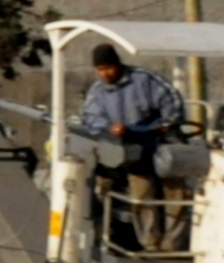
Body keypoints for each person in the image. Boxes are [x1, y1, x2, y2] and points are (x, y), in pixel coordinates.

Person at [80, 43, 186, 251]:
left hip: (160, 142)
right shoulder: (97, 92)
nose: (105, 73)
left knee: (175, 194)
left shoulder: (144, 79)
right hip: (131, 150)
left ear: (118, 64)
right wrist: (110, 128)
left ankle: (173, 244)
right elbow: (91, 119)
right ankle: (150, 244)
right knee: (142, 197)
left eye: (109, 68)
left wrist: (167, 123)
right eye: (100, 70)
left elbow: (171, 100)